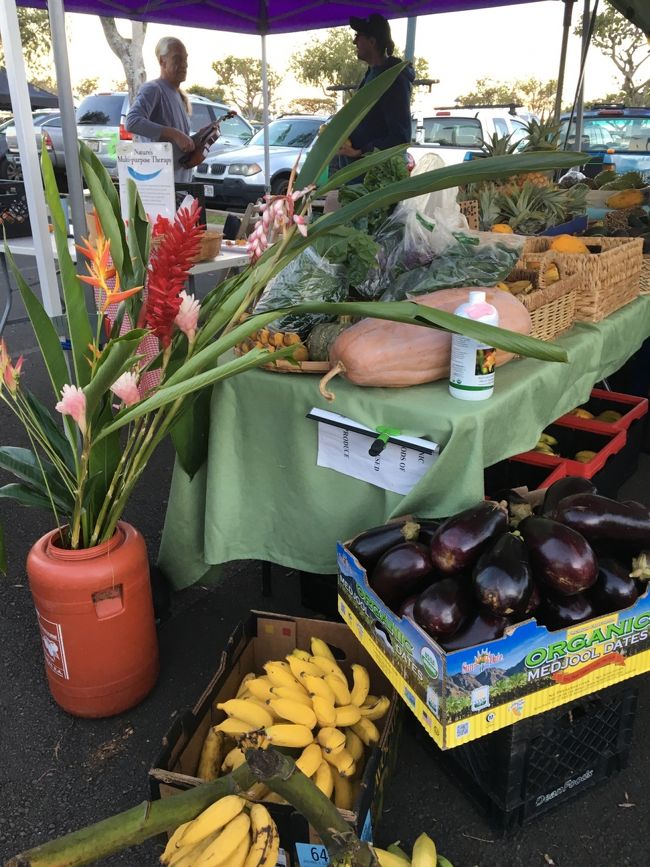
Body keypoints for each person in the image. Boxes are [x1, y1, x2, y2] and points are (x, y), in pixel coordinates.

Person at [338, 15, 415, 167]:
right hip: (355, 174)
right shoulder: (372, 73)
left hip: (373, 178)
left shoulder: (394, 80)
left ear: (372, 42)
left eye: (358, 36)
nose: (354, 42)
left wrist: (361, 151)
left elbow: (400, 138)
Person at [125, 37, 195, 182]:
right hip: (160, 189)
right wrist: (175, 134)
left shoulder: (178, 95)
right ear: (162, 61)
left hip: (180, 187)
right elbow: (132, 122)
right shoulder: (153, 89)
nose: (184, 65)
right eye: (177, 59)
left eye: (185, 59)